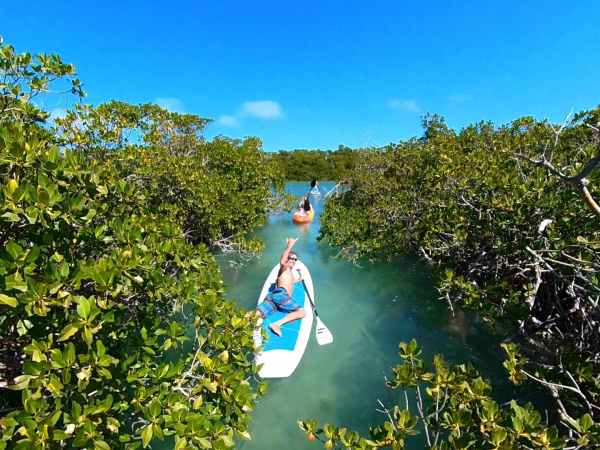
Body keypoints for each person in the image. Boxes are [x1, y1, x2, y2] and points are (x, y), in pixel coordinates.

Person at [256, 238, 306, 336]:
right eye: (291, 258)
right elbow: (282, 262)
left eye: (295, 259)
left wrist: (298, 279)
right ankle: (277, 324)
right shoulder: (285, 267)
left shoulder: (289, 273)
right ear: (287, 258)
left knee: (258, 314)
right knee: (302, 312)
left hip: (275, 297)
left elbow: (285, 282)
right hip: (281, 295)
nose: (293, 260)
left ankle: (235, 324)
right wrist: (289, 245)